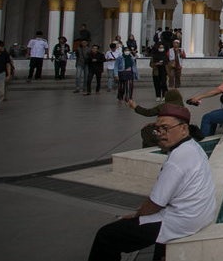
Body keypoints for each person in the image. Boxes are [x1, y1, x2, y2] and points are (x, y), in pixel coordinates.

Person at [88, 104, 216, 261]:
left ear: (183, 129)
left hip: (182, 221)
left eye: (165, 128)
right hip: (199, 215)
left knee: (106, 236)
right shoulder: (193, 147)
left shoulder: (177, 160)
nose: (160, 134)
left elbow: (155, 203)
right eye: (158, 129)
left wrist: (136, 216)